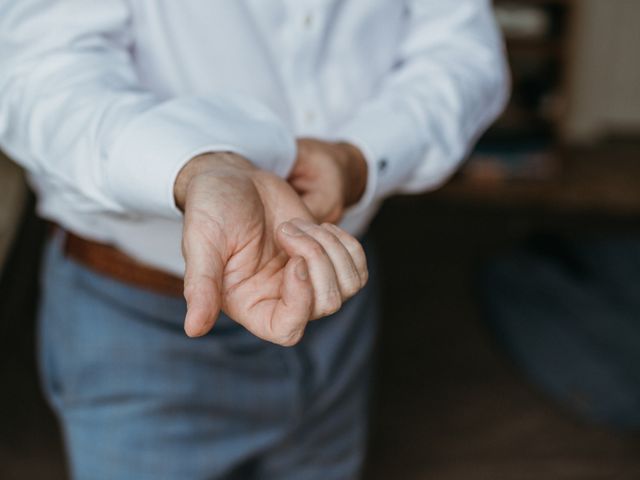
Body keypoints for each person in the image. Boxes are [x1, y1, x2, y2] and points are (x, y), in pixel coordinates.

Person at [0, 1, 509, 478]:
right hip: (137, 326)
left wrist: (360, 155)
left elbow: (463, 50)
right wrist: (193, 165)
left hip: (339, 296)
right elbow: (39, 75)